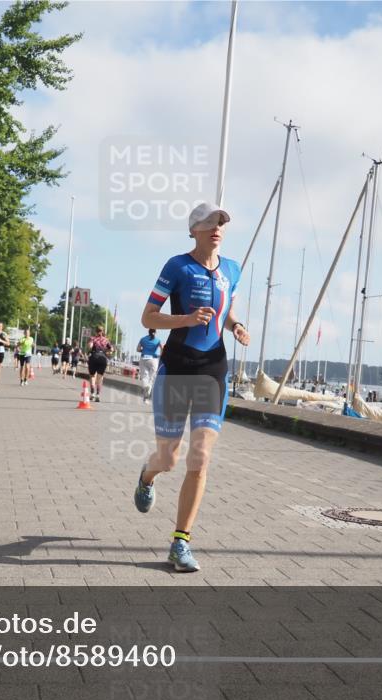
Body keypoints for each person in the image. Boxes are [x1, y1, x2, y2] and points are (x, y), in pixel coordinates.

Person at [132, 202, 250, 572]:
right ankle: (147, 476)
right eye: (210, 222)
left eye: (222, 223)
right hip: (177, 367)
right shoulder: (177, 266)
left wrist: (236, 326)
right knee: (169, 459)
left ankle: (180, 543)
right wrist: (185, 318)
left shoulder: (232, 268)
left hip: (213, 368)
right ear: (194, 228)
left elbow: (225, 309)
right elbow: (148, 316)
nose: (217, 228)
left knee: (200, 458)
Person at [136, 328, 162, 403]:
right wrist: (160, 355)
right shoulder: (158, 340)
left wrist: (143, 350)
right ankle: (147, 395)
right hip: (153, 359)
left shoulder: (143, 339)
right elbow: (162, 348)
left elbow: (138, 349)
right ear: (155, 332)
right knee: (152, 378)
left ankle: (145, 387)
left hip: (143, 358)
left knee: (144, 376)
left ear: (148, 331)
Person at [87, 327, 113, 402]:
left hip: (94, 357)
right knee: (100, 378)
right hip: (103, 358)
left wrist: (91, 345)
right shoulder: (106, 340)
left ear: (96, 331)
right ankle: (98, 394)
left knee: (92, 376)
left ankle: (92, 393)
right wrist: (107, 351)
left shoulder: (92, 338)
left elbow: (90, 346)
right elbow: (111, 350)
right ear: (102, 331)